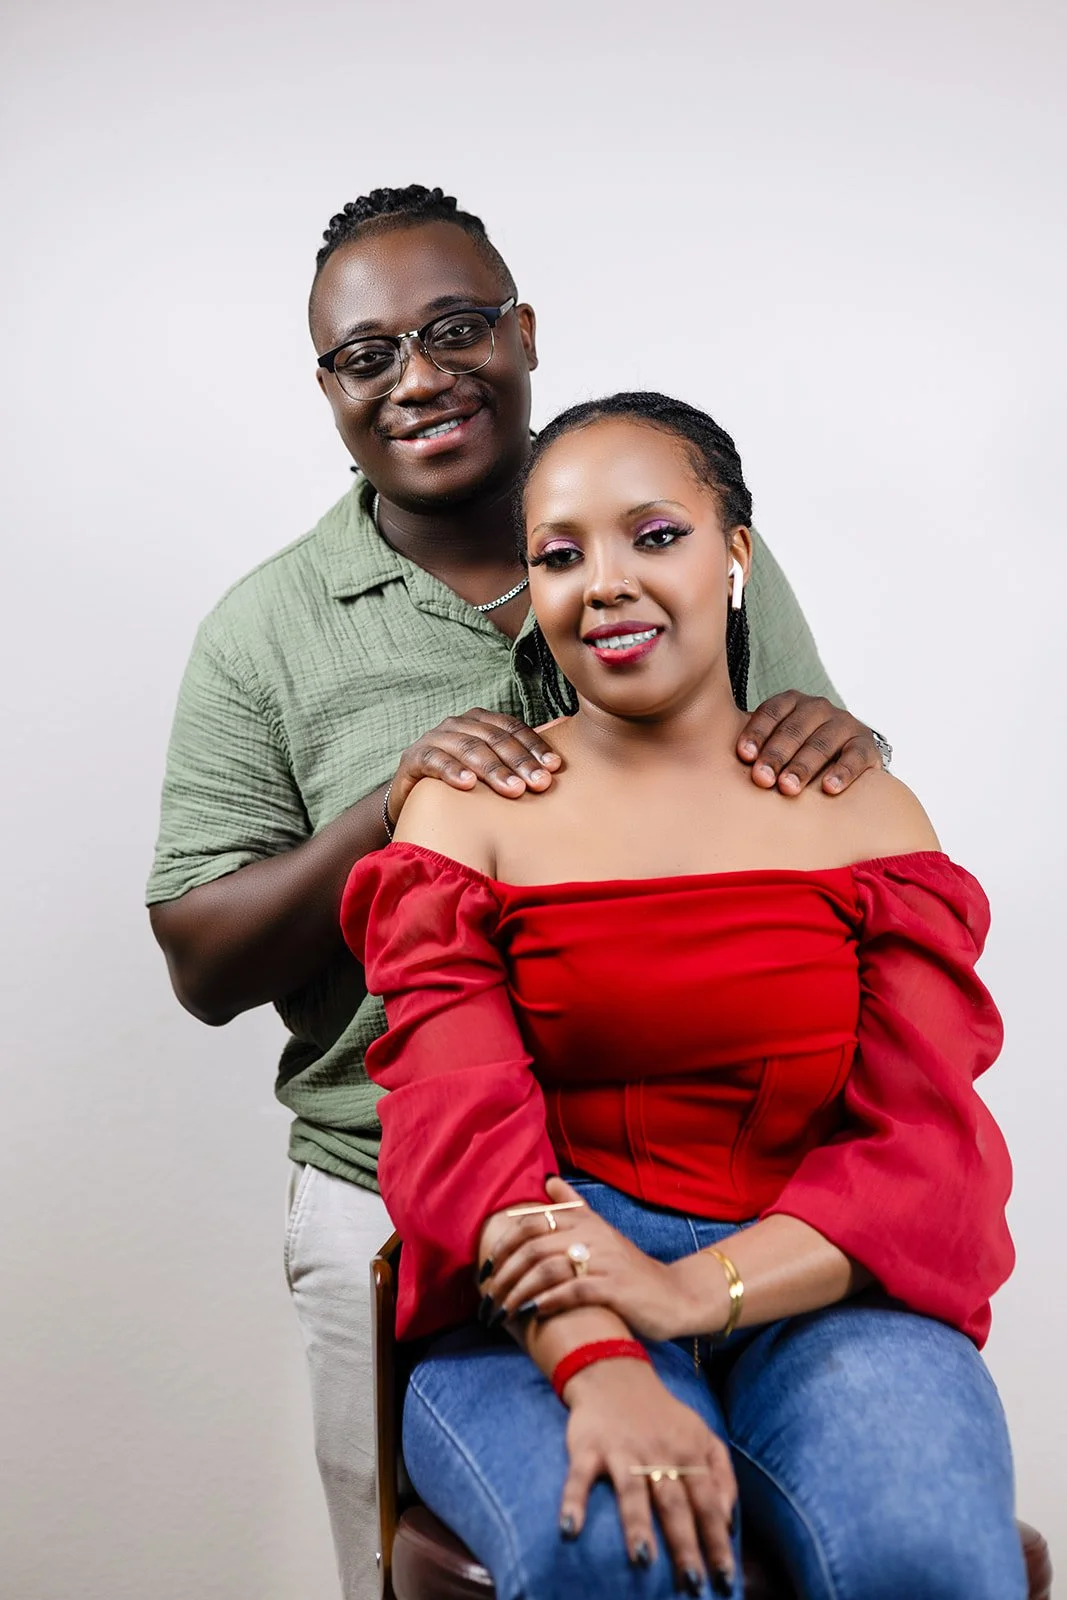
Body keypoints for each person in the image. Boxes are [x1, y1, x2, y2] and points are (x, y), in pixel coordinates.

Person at [148, 187, 891, 1600]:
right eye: (365, 355)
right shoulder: (265, 629)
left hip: (717, 1177)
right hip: (399, 1188)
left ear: (523, 331)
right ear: (326, 388)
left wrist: (837, 742)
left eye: (455, 329)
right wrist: (397, 803)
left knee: (765, 1555)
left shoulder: (678, 536)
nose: (417, 377)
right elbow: (199, 957)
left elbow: (814, 813)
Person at [341, 392, 1022, 1600]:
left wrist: (689, 1290)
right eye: (560, 556)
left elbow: (924, 1154)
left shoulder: (865, 815)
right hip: (535, 1297)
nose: (604, 583)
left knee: (919, 1555)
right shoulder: (466, 815)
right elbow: (459, 1142)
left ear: (734, 555)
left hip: (822, 1281)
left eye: (653, 535)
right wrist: (599, 1356)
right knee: (622, 1552)